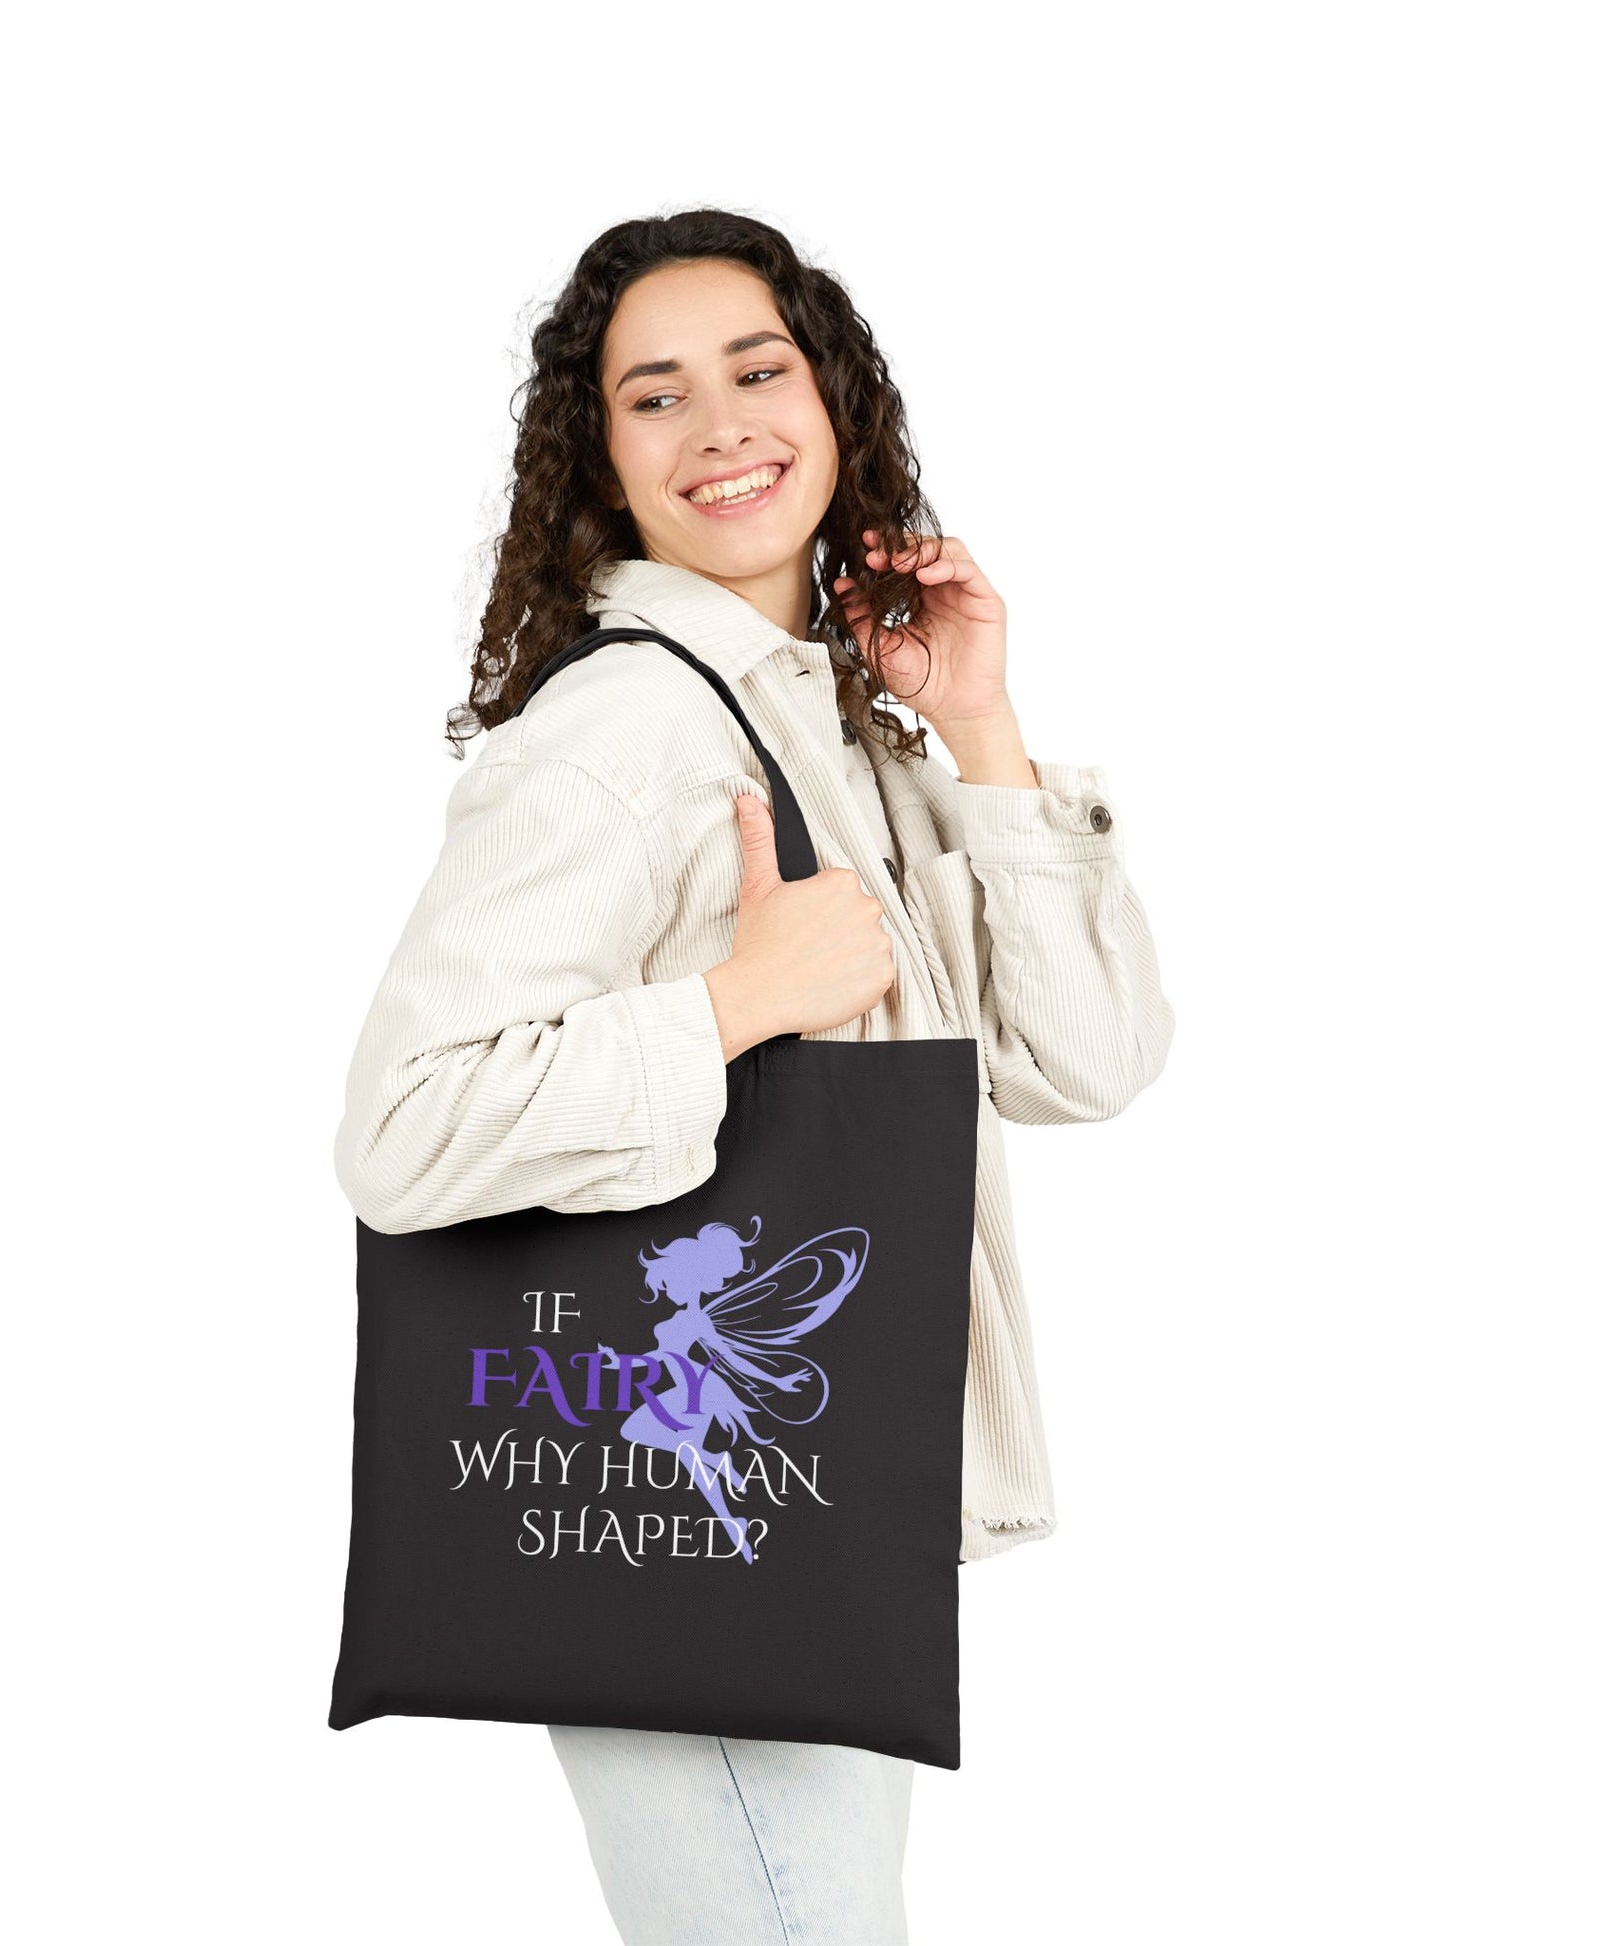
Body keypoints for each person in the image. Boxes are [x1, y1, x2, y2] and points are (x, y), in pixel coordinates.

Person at [333, 207, 1176, 1946]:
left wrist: (981, 728)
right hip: (675, 1507)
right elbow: (403, 1128)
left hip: (801, 1496)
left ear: (834, 404)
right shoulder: (623, 730)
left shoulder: (828, 727)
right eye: (655, 396)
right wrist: (733, 1003)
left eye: (757, 370)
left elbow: (1084, 1061)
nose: (718, 424)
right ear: (604, 464)